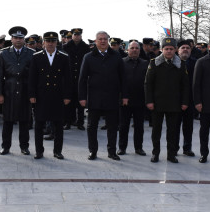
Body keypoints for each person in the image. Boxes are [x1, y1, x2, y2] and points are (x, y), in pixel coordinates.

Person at [78, 31, 128, 161]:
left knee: (112, 127)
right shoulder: (88, 57)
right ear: (96, 41)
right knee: (91, 126)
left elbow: (123, 78)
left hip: (112, 96)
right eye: (100, 39)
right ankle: (92, 151)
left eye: (105, 39)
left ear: (108, 41)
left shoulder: (116, 56)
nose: (103, 41)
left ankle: (112, 151)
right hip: (94, 97)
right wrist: (82, 97)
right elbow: (82, 79)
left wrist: (125, 96)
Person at [145, 38, 189, 163]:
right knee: (156, 131)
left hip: (174, 103)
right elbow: (148, 84)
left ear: (175, 50)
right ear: (161, 50)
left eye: (171, 49)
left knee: (173, 131)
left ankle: (171, 154)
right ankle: (155, 153)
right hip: (157, 103)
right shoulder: (154, 63)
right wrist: (149, 101)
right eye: (166, 49)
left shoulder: (181, 64)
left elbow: (185, 85)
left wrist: (185, 102)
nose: (169, 51)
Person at [28, 32, 72, 159]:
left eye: (53, 41)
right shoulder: (36, 57)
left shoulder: (63, 57)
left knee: (58, 126)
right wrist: (32, 94)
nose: (51, 43)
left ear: (56, 42)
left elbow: (68, 79)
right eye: (48, 41)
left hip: (58, 96)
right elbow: (32, 78)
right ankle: (39, 151)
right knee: (39, 125)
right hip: (41, 96)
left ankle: (57, 151)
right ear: (44, 43)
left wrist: (67, 96)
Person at [0, 26, 34, 156]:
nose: (18, 40)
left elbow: (34, 76)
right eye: (15, 38)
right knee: (8, 121)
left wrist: (32, 94)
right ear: (11, 39)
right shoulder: (4, 53)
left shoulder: (31, 53)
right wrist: (0, 93)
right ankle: (5, 146)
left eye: (20, 38)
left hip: (25, 90)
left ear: (24, 40)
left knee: (24, 121)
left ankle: (24, 146)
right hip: (9, 90)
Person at [118, 40, 148, 156]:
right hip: (124, 100)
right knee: (123, 126)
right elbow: (118, 82)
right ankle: (122, 148)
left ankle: (138, 148)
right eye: (132, 48)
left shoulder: (145, 63)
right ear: (127, 50)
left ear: (140, 51)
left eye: (137, 48)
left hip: (140, 100)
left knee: (139, 126)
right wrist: (122, 97)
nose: (134, 50)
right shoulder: (121, 62)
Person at [63, 28, 90, 130]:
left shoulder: (86, 47)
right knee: (68, 101)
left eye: (78, 35)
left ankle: (80, 122)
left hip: (81, 77)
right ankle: (67, 122)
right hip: (68, 77)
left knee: (80, 101)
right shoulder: (66, 47)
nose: (77, 36)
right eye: (75, 34)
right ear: (72, 35)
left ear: (81, 35)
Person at [176, 40, 197, 157]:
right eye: (182, 47)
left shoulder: (196, 63)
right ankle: (174, 148)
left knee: (188, 126)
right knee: (175, 126)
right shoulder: (172, 62)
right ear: (178, 50)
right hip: (175, 100)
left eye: (187, 48)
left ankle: (187, 148)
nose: (185, 49)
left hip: (190, 100)